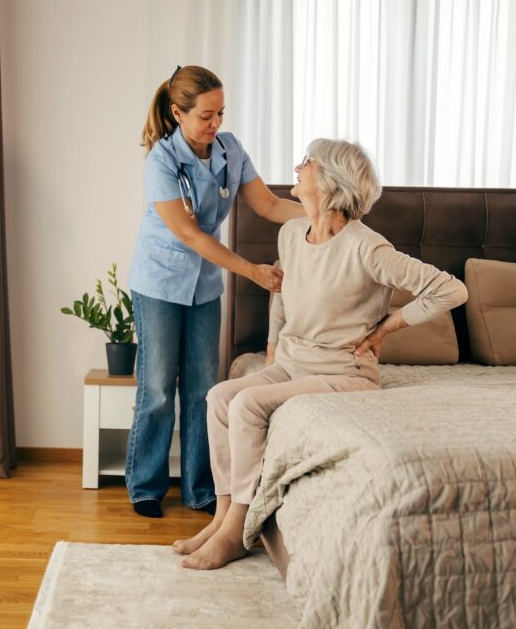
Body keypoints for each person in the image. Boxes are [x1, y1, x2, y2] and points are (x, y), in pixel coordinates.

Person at [174, 138, 468, 568]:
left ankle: (240, 527)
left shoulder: (368, 247)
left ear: (331, 180)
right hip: (293, 363)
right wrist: (272, 361)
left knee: (248, 405)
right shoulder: (292, 232)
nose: (297, 167)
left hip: (345, 372)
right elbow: (281, 298)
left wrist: (389, 325)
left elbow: (450, 290)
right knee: (221, 397)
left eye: (307, 162)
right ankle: (222, 518)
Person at [126, 65, 305, 519]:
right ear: (178, 113)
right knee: (159, 388)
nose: (216, 124)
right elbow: (190, 235)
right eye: (207, 115)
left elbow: (266, 203)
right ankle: (145, 485)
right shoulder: (161, 161)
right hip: (160, 282)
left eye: (221, 113)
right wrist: (251, 271)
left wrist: (319, 214)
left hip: (204, 284)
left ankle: (201, 488)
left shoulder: (230, 149)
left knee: (205, 389)